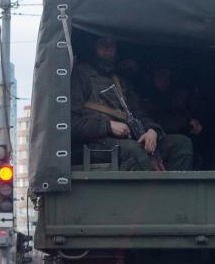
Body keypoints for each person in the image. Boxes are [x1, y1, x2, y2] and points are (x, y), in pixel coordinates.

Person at [70, 36, 194, 171]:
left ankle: (177, 191)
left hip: (125, 142)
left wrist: (152, 130)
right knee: (134, 151)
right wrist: (108, 126)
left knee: (181, 144)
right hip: (93, 143)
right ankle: (156, 192)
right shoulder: (79, 76)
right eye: (103, 44)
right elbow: (71, 124)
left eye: (111, 44)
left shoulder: (120, 81)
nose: (108, 49)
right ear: (93, 46)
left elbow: (140, 113)